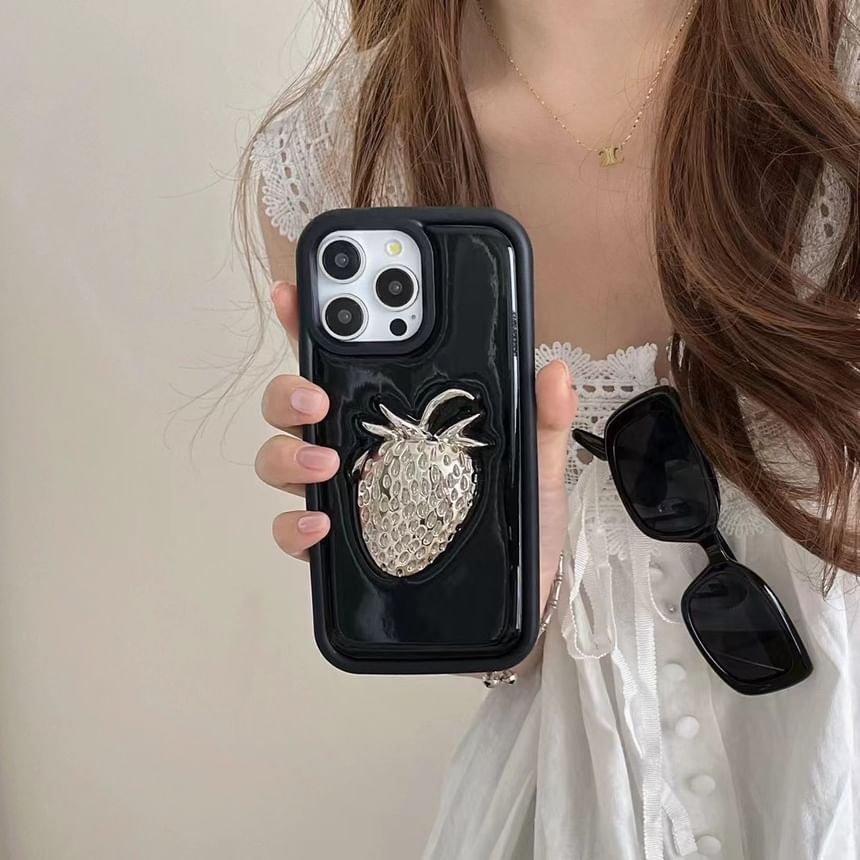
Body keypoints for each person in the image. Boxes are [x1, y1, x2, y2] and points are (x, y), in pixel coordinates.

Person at [244, 1, 860, 857]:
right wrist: (479, 585)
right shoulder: (338, 152)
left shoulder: (839, 72)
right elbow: (509, 657)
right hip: (570, 809)